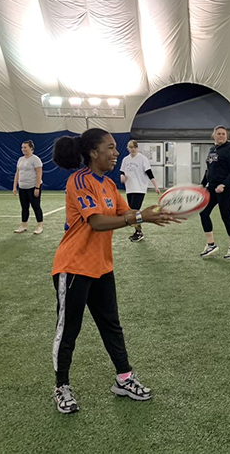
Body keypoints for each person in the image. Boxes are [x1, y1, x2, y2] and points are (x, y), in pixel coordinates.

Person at [50, 128, 179, 414]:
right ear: (93, 152)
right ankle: (61, 386)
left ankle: (124, 378)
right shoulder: (80, 181)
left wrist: (154, 214)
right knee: (69, 328)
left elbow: (125, 213)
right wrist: (138, 216)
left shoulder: (108, 184)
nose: (116, 152)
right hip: (72, 267)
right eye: (110, 147)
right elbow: (97, 222)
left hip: (101, 266)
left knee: (111, 324)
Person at [199, 125, 230, 260]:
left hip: (225, 188)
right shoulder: (212, 150)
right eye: (219, 133)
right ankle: (211, 244)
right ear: (214, 135)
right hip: (211, 188)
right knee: (204, 213)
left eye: (224, 134)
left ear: (226, 136)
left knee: (225, 216)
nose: (222, 135)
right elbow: (208, 171)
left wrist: (224, 184)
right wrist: (202, 185)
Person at [119, 140, 161, 242]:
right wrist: (122, 176)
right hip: (129, 189)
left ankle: (139, 232)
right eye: (131, 147)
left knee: (135, 211)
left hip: (139, 188)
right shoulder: (125, 159)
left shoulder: (142, 159)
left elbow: (149, 173)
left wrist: (156, 186)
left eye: (134, 147)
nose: (133, 149)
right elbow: (122, 171)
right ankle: (137, 232)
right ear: (127, 148)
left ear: (137, 148)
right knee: (131, 212)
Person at [12, 140, 44, 234]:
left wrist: (37, 187)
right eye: (22, 147)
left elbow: (39, 173)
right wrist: (15, 186)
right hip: (22, 187)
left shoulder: (35, 159)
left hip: (33, 187)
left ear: (31, 148)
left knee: (36, 206)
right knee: (24, 207)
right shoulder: (20, 159)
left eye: (25, 147)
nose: (23, 149)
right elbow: (17, 173)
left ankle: (39, 226)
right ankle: (23, 226)